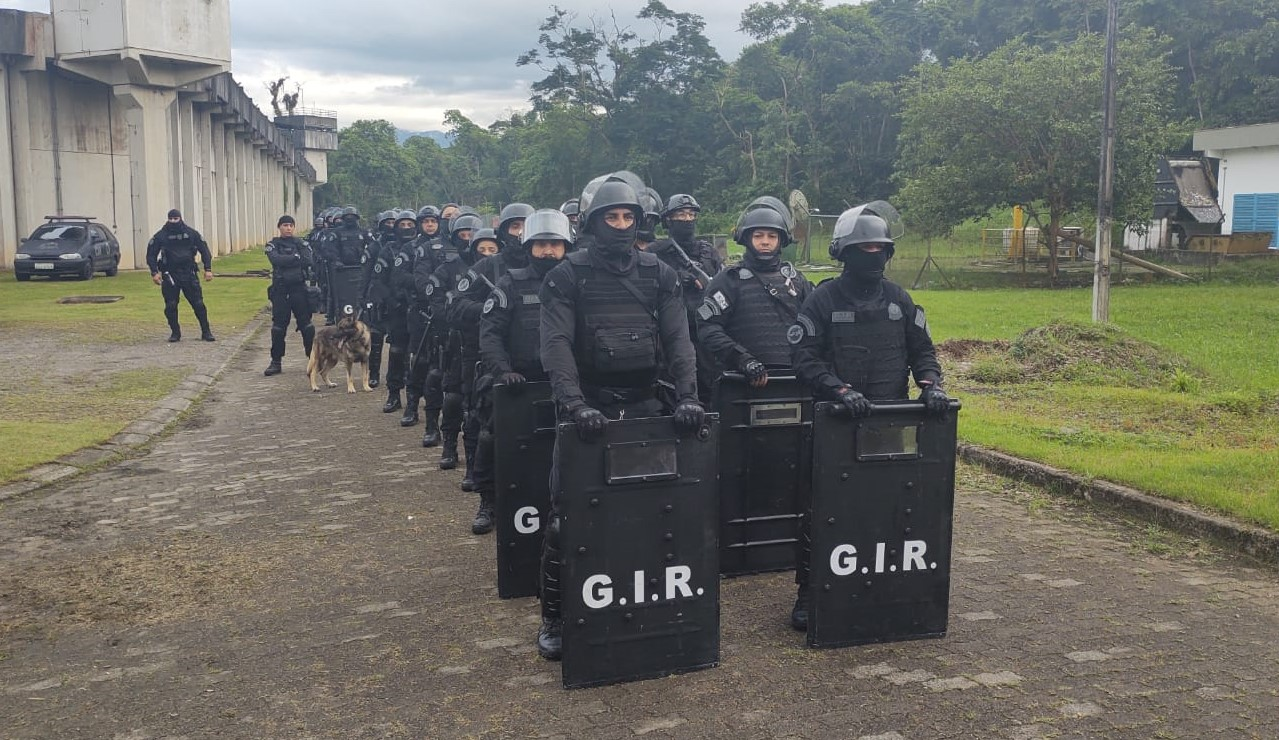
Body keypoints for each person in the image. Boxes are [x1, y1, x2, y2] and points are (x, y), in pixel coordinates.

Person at [535, 179, 705, 660]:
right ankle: (553, 615)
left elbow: (679, 340)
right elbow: (557, 347)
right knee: (565, 518)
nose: (622, 226)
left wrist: (688, 397)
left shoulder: (659, 273)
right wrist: (573, 404)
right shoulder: (566, 277)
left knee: (657, 512)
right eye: (612, 218)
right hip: (587, 405)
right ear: (592, 223)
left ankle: (650, 606)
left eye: (629, 218)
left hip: (646, 403)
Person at [788, 201, 950, 631]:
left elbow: (923, 351)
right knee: (822, 509)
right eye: (865, 249)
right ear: (845, 252)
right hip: (836, 424)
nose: (873, 256)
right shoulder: (822, 300)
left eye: (880, 249)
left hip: (892, 422)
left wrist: (931, 385)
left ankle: (885, 583)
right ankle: (808, 591)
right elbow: (803, 358)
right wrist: (838, 389)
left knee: (893, 507)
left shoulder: (899, 300)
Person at [470, 209, 571, 534]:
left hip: (566, 382)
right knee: (492, 435)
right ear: (528, 247)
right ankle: (487, 499)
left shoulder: (576, 283)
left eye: (555, 245)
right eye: (541, 245)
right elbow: (490, 334)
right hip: (518, 381)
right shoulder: (510, 283)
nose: (548, 252)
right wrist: (502, 371)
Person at [696, 205, 812, 387]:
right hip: (741, 380)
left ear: (781, 240)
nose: (765, 242)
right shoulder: (728, 280)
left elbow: (814, 327)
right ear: (747, 238)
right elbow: (708, 327)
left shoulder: (796, 280)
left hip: (793, 379)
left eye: (772, 236)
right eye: (758, 236)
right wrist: (742, 359)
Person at [649, 194, 723, 401]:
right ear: (668, 220)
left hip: (705, 331)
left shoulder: (709, 252)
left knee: (710, 387)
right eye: (681, 215)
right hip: (669, 335)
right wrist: (677, 278)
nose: (687, 219)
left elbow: (722, 287)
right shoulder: (656, 252)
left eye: (691, 215)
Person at [428, 213, 486, 470]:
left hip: (490, 342)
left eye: (489, 247)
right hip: (458, 340)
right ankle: (450, 444)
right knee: (453, 396)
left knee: (478, 403)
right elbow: (440, 304)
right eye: (464, 235)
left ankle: (476, 456)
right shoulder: (450, 268)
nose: (484, 251)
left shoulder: (496, 268)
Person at [146, 209, 215, 342]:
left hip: (188, 273)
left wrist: (208, 269)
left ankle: (206, 332)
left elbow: (204, 250)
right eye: (170, 219)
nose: (173, 221)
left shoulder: (190, 233)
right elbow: (151, 254)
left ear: (180, 218)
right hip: (170, 275)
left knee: (198, 304)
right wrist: (154, 272)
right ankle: (175, 333)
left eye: (175, 219)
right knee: (171, 305)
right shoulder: (161, 235)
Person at [263, 215, 316, 376]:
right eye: (285, 225)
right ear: (279, 227)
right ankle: (276, 361)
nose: (288, 228)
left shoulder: (301, 243)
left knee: (307, 326)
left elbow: (308, 260)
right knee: (278, 328)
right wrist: (294, 257)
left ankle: (313, 359)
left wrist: (291, 259)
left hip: (299, 289)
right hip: (280, 290)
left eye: (291, 225)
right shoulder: (272, 244)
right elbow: (276, 260)